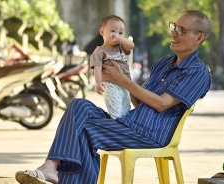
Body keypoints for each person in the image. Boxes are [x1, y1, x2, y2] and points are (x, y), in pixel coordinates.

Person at [15, 9, 212, 184]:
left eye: (182, 30)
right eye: (174, 27)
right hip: (130, 123)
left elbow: (161, 104)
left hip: (151, 134)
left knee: (83, 130)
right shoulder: (163, 63)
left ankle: (52, 168)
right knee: (79, 106)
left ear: (199, 37)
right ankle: (51, 167)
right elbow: (138, 100)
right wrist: (118, 78)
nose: (174, 33)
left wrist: (123, 80)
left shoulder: (197, 72)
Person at [90, 15, 135, 119]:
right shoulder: (99, 51)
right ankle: (114, 126)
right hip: (111, 84)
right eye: (112, 31)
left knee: (126, 107)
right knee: (116, 109)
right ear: (102, 32)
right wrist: (98, 82)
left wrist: (121, 39)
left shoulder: (120, 47)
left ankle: (122, 126)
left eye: (120, 33)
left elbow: (131, 45)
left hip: (125, 82)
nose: (116, 35)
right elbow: (97, 67)